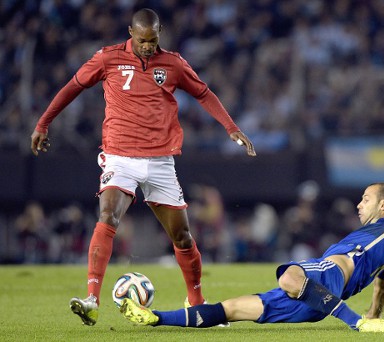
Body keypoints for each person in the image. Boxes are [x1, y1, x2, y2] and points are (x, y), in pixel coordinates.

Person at [30, 8, 256, 326]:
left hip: (160, 160)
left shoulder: (174, 63)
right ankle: (92, 299)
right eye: (142, 40)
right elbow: (72, 87)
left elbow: (204, 94)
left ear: (159, 33)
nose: (148, 46)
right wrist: (43, 123)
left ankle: (198, 303)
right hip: (119, 156)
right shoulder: (107, 58)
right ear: (130, 33)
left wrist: (231, 128)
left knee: (183, 237)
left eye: (153, 40)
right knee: (108, 214)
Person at [120, 154, 384, 332]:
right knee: (230, 309)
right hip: (315, 302)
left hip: (324, 280)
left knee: (289, 275)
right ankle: (153, 318)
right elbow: (382, 288)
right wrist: (376, 314)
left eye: (366, 198)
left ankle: (355, 325)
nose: (360, 203)